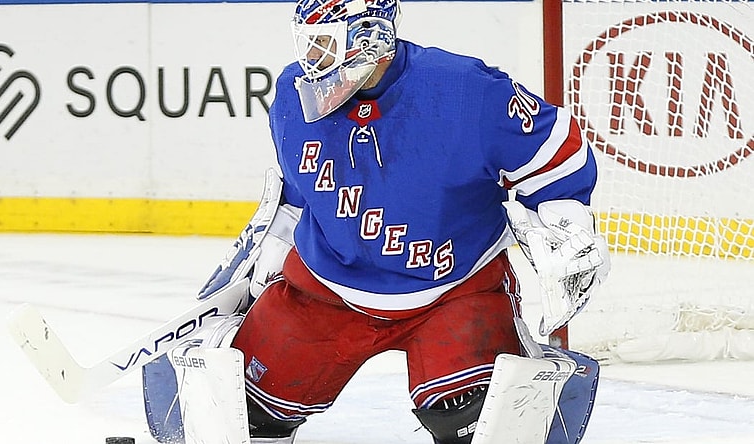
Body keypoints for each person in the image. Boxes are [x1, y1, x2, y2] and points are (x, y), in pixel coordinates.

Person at [143, 0, 610, 442]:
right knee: (245, 412)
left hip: (453, 291)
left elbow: (557, 155)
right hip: (325, 290)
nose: (311, 62)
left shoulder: (465, 91)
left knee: (474, 420)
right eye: (307, 44)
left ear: (371, 37)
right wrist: (272, 250)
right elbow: (298, 192)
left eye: (324, 44)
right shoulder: (291, 95)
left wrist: (567, 225)